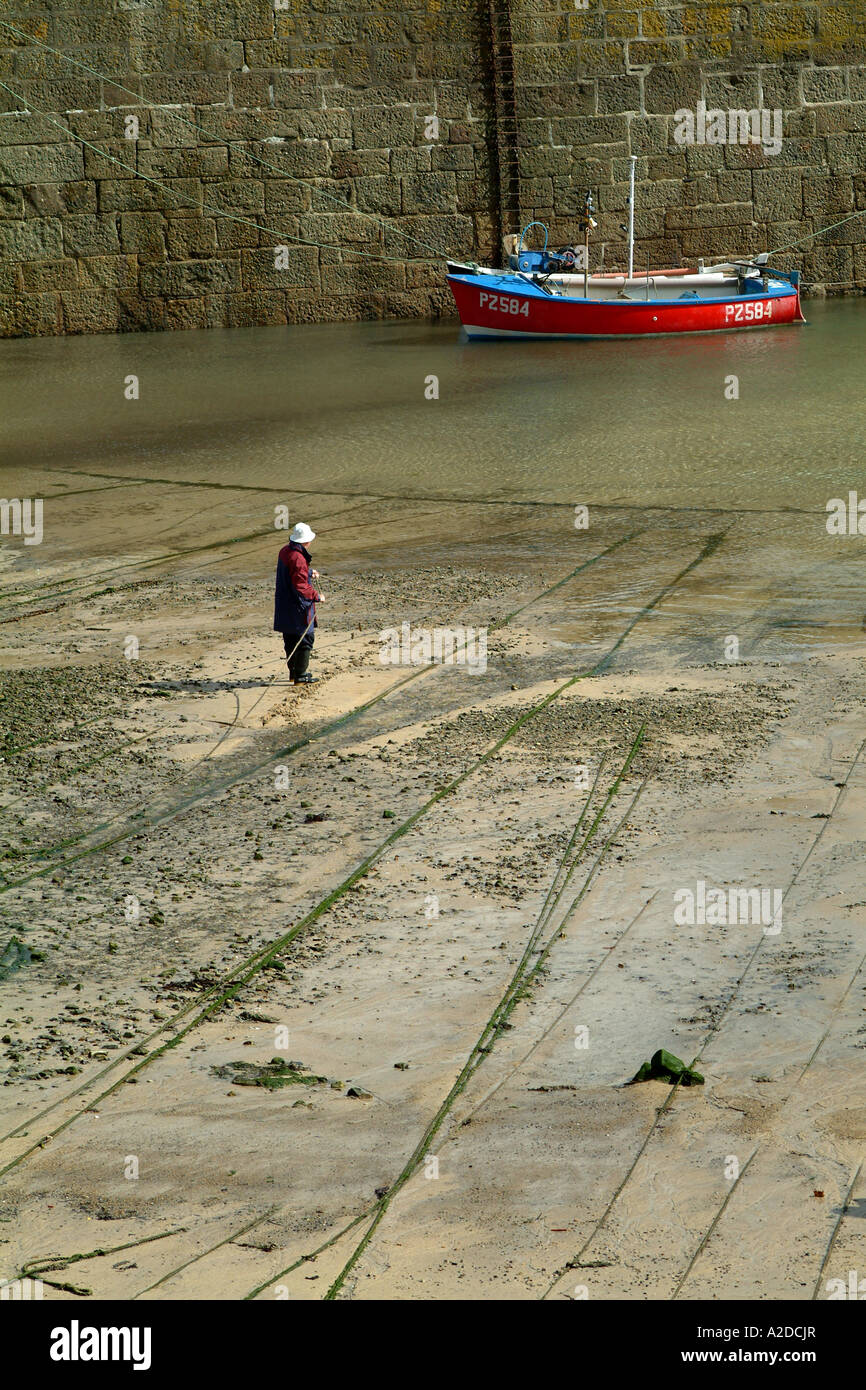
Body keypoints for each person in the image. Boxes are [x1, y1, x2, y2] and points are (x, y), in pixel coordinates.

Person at [273, 522, 325, 684]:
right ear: (306, 541)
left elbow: (293, 573)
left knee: (290, 638)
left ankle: (293, 673)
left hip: (284, 603)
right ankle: (300, 675)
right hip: (298, 605)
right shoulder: (298, 558)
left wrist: (309, 572)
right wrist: (317, 596)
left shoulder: (285, 551)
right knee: (305, 639)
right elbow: (301, 586)